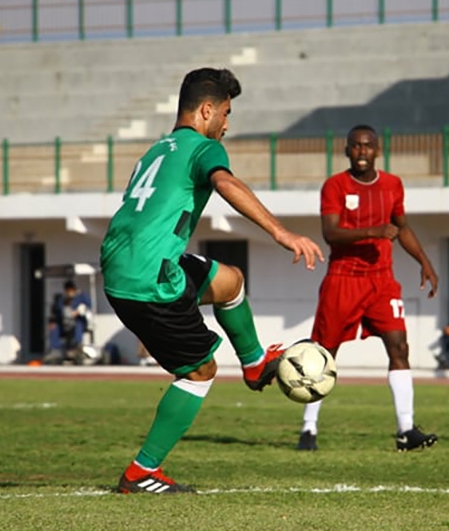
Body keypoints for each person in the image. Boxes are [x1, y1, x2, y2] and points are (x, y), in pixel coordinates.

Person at [100, 68, 323, 494]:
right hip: (149, 280)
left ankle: (254, 362)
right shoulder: (204, 148)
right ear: (206, 110)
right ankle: (141, 471)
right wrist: (282, 233)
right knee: (199, 372)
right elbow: (225, 182)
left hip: (124, 263)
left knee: (229, 281)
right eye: (225, 113)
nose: (226, 124)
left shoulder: (156, 150)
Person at [297, 124, 440, 452]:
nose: (362, 151)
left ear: (378, 150)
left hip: (382, 281)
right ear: (347, 150)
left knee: (399, 347)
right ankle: (308, 428)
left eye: (368, 145)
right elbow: (331, 233)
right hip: (343, 279)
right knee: (325, 353)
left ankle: (406, 431)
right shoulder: (335, 185)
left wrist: (424, 261)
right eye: (356, 146)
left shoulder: (392, 185)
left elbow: (402, 228)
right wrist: (373, 231)